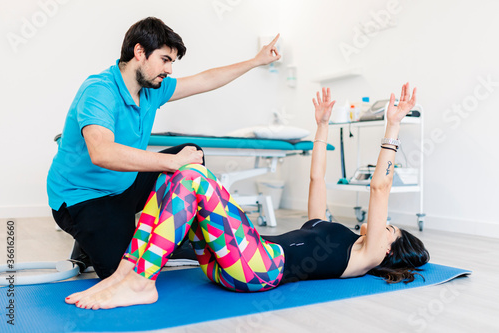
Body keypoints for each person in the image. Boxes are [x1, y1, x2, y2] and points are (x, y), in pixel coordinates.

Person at [65, 83, 429, 310]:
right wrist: (321, 126)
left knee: (194, 175)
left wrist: (392, 127)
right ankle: (129, 271)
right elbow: (317, 178)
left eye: (389, 229)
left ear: (387, 250)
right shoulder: (336, 233)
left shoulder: (365, 257)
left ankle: (141, 281)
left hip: (259, 269)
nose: (381, 226)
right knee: (176, 173)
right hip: (230, 263)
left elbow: (379, 187)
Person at [47, 17, 281, 279]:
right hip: (83, 197)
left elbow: (205, 79)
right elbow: (102, 153)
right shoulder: (99, 90)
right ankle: (87, 241)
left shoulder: (152, 89)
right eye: (165, 59)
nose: (169, 69)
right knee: (120, 273)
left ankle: (174, 237)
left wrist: (255, 61)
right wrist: (171, 162)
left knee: (191, 153)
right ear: (139, 52)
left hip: (123, 187)